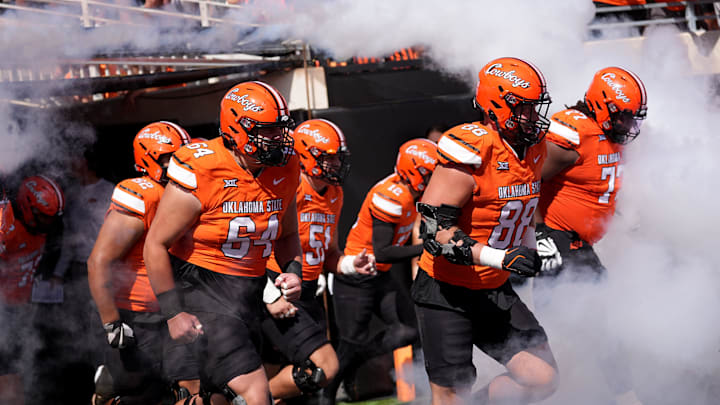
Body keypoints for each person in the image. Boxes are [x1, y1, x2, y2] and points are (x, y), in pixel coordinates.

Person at [144, 81, 303, 405]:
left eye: (279, 129)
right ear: (237, 129)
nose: (277, 138)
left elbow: (286, 234)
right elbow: (155, 244)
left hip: (249, 291)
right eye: (267, 130)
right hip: (202, 288)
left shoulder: (286, 166)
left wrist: (293, 269)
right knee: (256, 392)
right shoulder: (204, 167)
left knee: (215, 398)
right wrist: (174, 313)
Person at [414, 57, 559, 405]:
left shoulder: (534, 146)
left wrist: (536, 241)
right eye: (522, 107)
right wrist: (502, 257)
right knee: (451, 395)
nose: (532, 115)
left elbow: (517, 208)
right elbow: (434, 231)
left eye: (534, 106)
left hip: (493, 289)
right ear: (496, 106)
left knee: (544, 378)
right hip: (446, 291)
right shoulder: (473, 148)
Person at [533, 66, 647, 405]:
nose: (628, 125)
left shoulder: (605, 134)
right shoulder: (573, 132)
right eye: (623, 116)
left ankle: (607, 393)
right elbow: (524, 182)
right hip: (558, 246)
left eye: (632, 118)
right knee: (574, 329)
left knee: (599, 328)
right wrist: (540, 234)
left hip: (581, 249)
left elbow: (597, 184)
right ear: (600, 105)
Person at [87, 121, 201, 405]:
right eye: (171, 158)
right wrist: (112, 322)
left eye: (183, 158)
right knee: (142, 395)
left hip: (175, 310)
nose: (179, 166)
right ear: (149, 159)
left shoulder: (188, 193)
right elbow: (99, 261)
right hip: (136, 315)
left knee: (192, 390)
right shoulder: (143, 194)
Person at [261, 118, 376, 401]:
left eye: (338, 157)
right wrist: (269, 293)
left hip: (309, 289)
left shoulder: (335, 193)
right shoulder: (290, 187)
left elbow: (330, 254)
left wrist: (350, 265)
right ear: (305, 155)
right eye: (328, 157)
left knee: (305, 380)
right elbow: (259, 246)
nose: (335, 164)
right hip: (279, 285)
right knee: (313, 369)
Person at [320, 138, 438, 405]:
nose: (433, 179)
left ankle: (364, 360)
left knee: (411, 329)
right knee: (350, 343)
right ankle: (326, 395)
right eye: (429, 174)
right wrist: (426, 249)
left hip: (379, 273)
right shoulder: (390, 197)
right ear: (413, 171)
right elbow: (383, 250)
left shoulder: (411, 192)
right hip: (355, 276)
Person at [0, 175, 65, 405]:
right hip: (3, 313)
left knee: (18, 373)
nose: (50, 224)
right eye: (44, 217)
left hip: (20, 310)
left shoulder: (44, 229)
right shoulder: (7, 228)